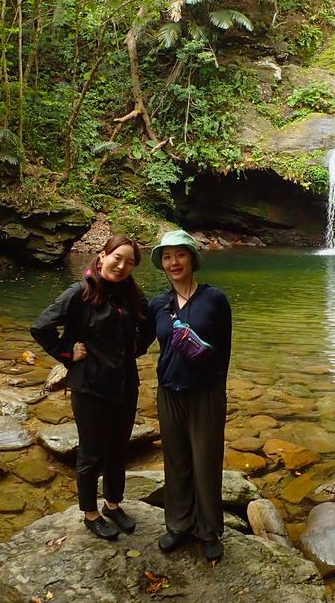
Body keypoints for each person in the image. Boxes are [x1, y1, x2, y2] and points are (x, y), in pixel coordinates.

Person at [31, 234, 155, 540]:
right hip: (90, 386)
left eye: (129, 262)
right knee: (91, 452)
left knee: (118, 449)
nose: (122, 266)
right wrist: (66, 354)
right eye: (117, 258)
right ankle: (90, 513)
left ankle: (113, 504)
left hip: (125, 384)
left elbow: (148, 326)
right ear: (102, 256)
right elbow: (41, 326)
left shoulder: (132, 295)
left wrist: (134, 349)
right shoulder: (80, 293)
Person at [148, 229, 233, 563]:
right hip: (169, 392)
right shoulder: (158, 304)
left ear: (193, 259)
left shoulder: (215, 299)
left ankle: (209, 530)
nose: (173, 262)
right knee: (177, 460)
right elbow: (135, 342)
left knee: (206, 461)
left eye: (179, 255)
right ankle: (179, 525)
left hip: (206, 394)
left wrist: (218, 392)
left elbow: (224, 350)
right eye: (167, 257)